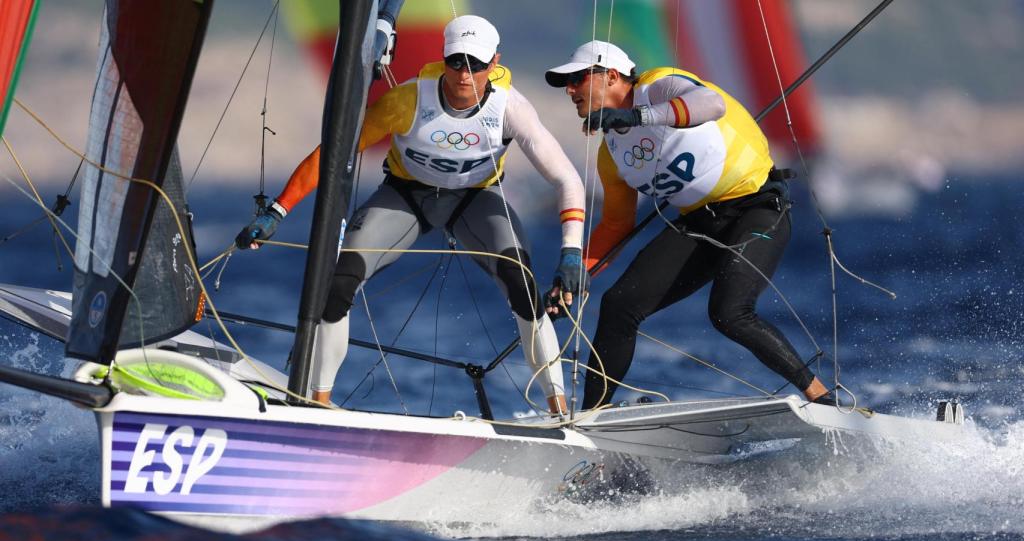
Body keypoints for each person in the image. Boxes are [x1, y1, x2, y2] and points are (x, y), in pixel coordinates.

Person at [236, 15, 587, 414]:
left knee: (521, 281)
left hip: (475, 198)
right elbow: (332, 155)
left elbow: (567, 180)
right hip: (407, 197)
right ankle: (318, 403)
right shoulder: (407, 100)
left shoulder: (511, 108)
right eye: (456, 62)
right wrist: (277, 211)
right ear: (444, 58)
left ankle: (558, 410)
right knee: (341, 280)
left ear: (494, 63)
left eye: (475, 64)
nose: (464, 74)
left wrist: (572, 253)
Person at [544, 41, 835, 409]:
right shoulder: (611, 153)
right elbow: (617, 223)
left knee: (730, 313)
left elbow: (712, 104)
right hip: (700, 225)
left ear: (611, 76)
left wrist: (637, 117)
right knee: (618, 305)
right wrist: (576, 274)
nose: (570, 91)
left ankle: (821, 396)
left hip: (757, 208)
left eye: (577, 80)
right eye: (566, 84)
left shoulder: (658, 85)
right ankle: (591, 417)